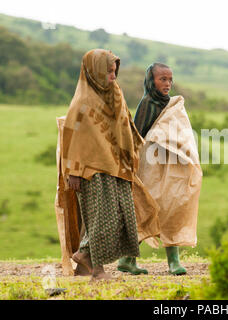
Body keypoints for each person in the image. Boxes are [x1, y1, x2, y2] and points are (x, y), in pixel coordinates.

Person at [62, 49, 147, 281]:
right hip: (92, 171)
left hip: (117, 167)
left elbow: (125, 126)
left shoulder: (114, 95)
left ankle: (85, 256)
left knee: (119, 218)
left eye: (114, 71)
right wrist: (74, 171)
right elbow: (72, 139)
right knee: (99, 221)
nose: (113, 76)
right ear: (94, 73)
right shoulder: (82, 102)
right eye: (108, 72)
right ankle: (97, 271)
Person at [129, 62, 202, 275]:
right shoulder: (147, 103)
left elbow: (182, 133)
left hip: (172, 167)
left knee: (173, 206)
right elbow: (138, 135)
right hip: (150, 167)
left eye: (170, 79)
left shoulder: (172, 104)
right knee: (146, 209)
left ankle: (173, 261)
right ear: (151, 81)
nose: (168, 83)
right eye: (162, 79)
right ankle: (128, 259)